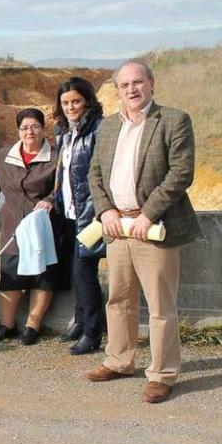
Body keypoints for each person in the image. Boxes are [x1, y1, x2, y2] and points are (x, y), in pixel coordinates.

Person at [84, 61, 200, 404]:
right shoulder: (107, 127)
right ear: (117, 90)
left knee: (161, 305)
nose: (132, 89)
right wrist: (105, 210)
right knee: (118, 299)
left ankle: (162, 374)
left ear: (151, 83)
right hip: (117, 227)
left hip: (155, 228)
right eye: (125, 85)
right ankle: (120, 361)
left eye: (138, 82)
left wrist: (148, 215)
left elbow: (181, 173)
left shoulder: (174, 120)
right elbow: (94, 174)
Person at [0, 108, 58, 346]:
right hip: (12, 223)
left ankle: (33, 326)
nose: (29, 132)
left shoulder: (55, 155)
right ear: (18, 131)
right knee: (11, 273)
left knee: (43, 275)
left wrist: (50, 200)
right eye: (24, 128)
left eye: (35, 127)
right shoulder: (5, 154)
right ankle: (7, 324)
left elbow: (62, 188)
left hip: (43, 225)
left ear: (43, 129)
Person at [50, 78, 106, 355]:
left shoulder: (98, 129)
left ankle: (92, 333)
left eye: (76, 101)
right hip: (70, 213)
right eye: (65, 102)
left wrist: (99, 211)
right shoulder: (64, 132)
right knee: (78, 271)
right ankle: (81, 320)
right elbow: (63, 173)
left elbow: (101, 174)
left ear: (87, 101)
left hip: (91, 214)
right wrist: (53, 199)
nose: (71, 107)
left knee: (85, 272)